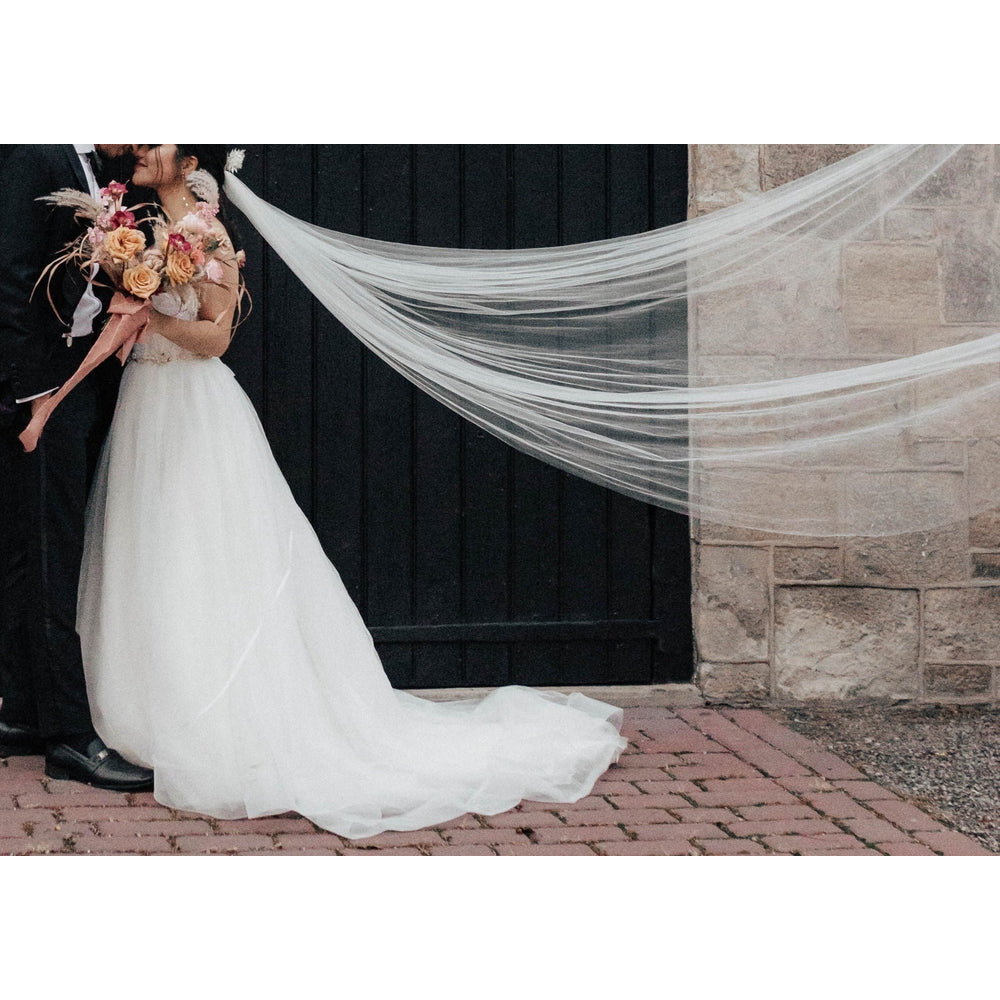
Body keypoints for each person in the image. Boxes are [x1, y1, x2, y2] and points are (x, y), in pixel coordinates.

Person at [76, 144, 624, 838]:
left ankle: (218, 720)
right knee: (150, 556)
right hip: (143, 404)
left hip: (191, 408)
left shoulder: (210, 234)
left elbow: (215, 339)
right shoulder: (141, 229)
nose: (138, 147)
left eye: (155, 140)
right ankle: (147, 712)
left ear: (188, 161)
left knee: (202, 553)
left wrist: (151, 316)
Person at [0, 145, 154, 791]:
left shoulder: (90, 164)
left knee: (32, 554)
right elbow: (8, 270)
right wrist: (30, 390)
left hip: (81, 379)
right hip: (43, 389)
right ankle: (68, 735)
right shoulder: (34, 152)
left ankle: (23, 713)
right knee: (48, 557)